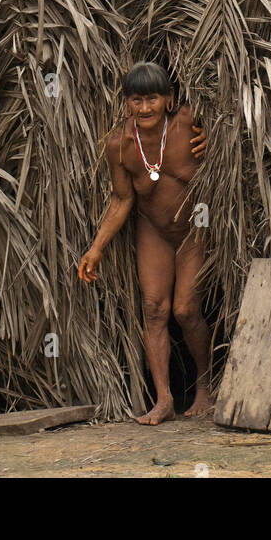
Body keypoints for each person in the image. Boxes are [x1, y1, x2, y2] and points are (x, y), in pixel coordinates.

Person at [78, 62, 211, 424]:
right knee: (153, 309)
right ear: (126, 104)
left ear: (168, 100)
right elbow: (122, 201)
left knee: (185, 309)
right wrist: (97, 247)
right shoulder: (119, 146)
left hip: (194, 229)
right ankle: (164, 399)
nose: (145, 108)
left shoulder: (187, 123)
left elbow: (231, 133)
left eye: (152, 99)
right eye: (136, 100)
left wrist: (213, 137)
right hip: (154, 230)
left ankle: (204, 386)